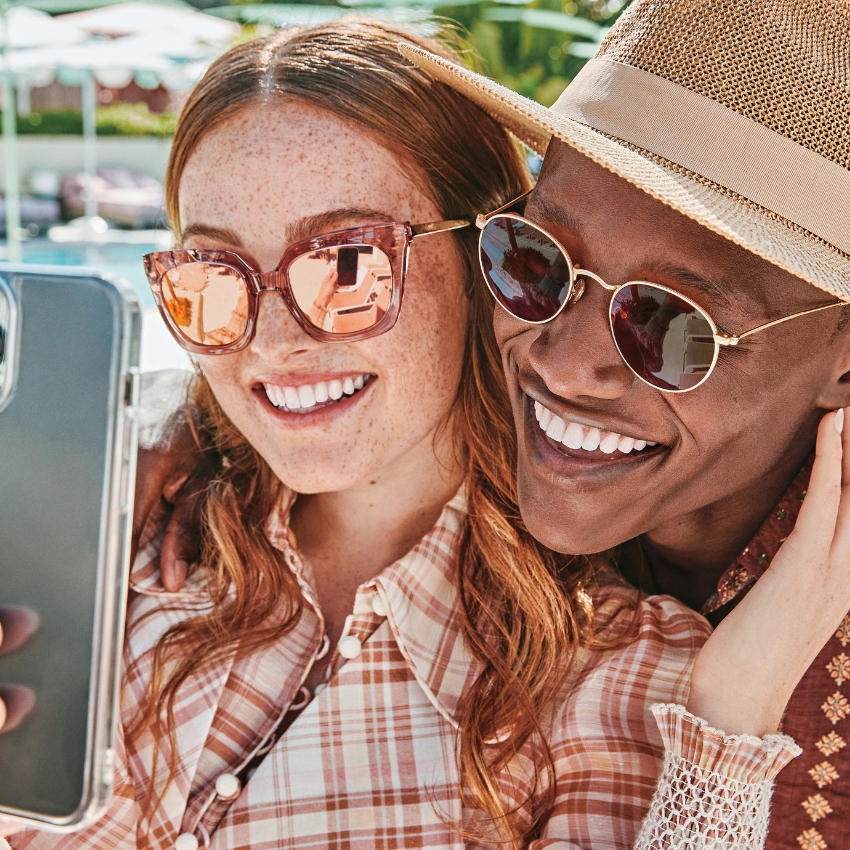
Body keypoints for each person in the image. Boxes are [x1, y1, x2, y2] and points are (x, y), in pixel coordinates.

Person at [0, 19, 715, 850]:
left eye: (347, 267)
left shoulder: (620, 677)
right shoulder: (106, 547)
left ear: (491, 260)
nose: (271, 341)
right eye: (212, 280)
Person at [400, 0, 850, 845]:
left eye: (670, 326)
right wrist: (192, 432)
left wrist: (729, 718)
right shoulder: (474, 421)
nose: (562, 363)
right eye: (536, 262)